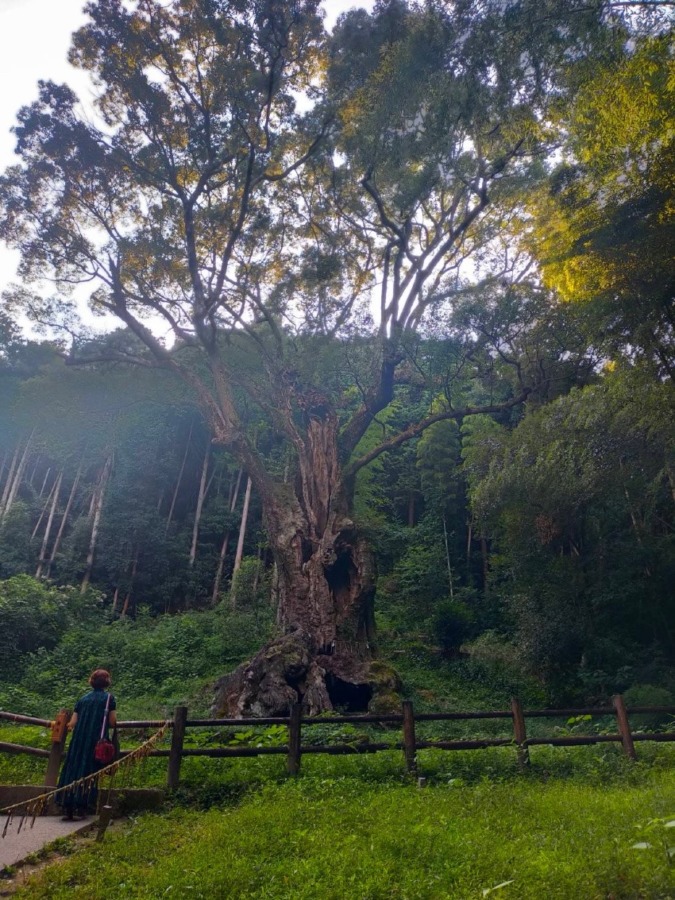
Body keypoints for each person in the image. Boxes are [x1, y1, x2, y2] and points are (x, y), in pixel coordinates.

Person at [57, 668, 117, 821]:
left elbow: (72, 723)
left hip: (78, 740)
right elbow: (112, 722)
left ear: (92, 682)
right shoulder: (109, 699)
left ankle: (67, 806)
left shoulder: (83, 699)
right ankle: (82, 807)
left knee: (73, 769)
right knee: (90, 771)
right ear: (107, 682)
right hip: (95, 740)